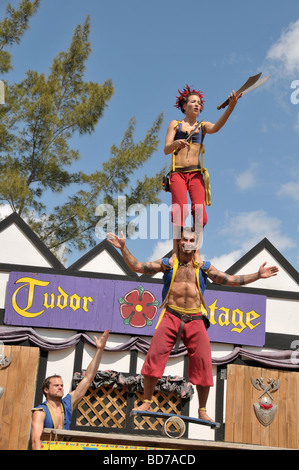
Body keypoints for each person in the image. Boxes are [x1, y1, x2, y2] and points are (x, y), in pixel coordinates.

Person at [107, 230, 278, 422]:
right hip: (171, 314)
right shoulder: (168, 264)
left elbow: (230, 280)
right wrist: (123, 248)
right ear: (179, 243)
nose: (188, 243)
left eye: (192, 240)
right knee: (154, 355)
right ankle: (147, 399)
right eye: (185, 240)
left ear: (196, 244)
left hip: (195, 318)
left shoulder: (204, 267)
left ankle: (202, 409)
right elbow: (137, 267)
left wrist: (257, 275)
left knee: (204, 363)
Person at [164, 84, 242, 254]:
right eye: (193, 102)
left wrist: (231, 107)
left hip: (196, 174)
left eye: (199, 102)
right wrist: (176, 143)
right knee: (180, 210)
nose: (197, 104)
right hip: (178, 174)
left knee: (200, 215)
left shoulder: (202, 126)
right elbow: (166, 149)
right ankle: (175, 250)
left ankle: (196, 251)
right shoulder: (175, 124)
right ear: (184, 106)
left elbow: (217, 127)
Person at [30, 330, 109, 450]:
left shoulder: (67, 403)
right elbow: (36, 441)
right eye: (56, 386)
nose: (60, 387)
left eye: (61, 385)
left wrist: (100, 350)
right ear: (46, 390)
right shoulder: (40, 411)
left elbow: (88, 378)